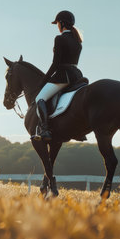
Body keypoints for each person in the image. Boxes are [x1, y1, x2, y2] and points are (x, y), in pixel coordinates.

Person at [33, 10, 84, 141]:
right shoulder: (77, 41)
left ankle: (44, 129)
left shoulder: (60, 38)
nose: (57, 26)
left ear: (61, 23)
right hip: (76, 75)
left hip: (64, 76)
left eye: (57, 23)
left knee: (40, 98)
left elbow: (55, 64)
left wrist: (44, 80)